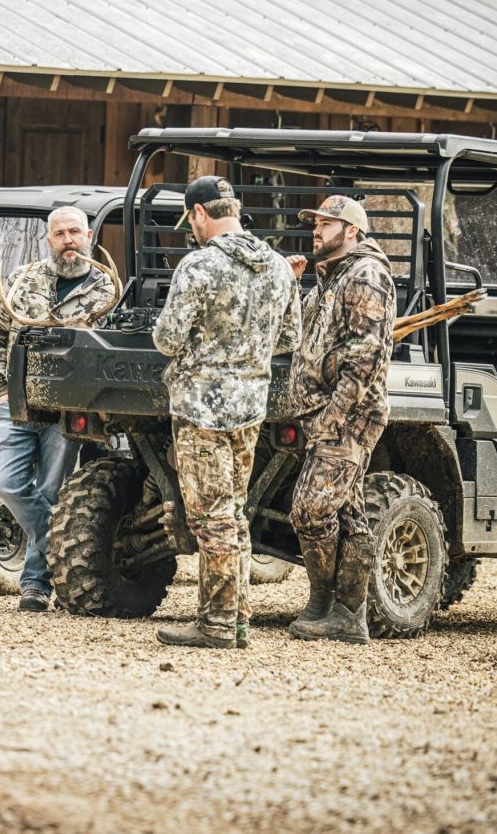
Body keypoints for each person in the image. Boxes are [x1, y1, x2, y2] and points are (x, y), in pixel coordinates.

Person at [151, 176, 301, 648]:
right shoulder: (278, 267)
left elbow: (166, 339)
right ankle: (236, 621)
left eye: (189, 221)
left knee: (210, 518)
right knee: (234, 514)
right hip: (250, 407)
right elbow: (290, 339)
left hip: (201, 411)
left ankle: (215, 624)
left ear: (198, 214)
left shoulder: (198, 266)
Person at [0, 205, 118, 612]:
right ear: (49, 240)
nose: (68, 241)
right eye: (59, 234)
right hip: (18, 404)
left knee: (52, 491)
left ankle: (35, 587)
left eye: (75, 232)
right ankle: (65, 556)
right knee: (7, 484)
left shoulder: (108, 290)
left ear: (90, 236)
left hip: (66, 410)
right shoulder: (24, 280)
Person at [283, 195, 396, 645]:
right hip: (324, 416)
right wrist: (293, 286)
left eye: (327, 223)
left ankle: (323, 604)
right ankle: (350, 617)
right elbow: (299, 336)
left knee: (309, 510)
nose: (316, 229)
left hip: (348, 418)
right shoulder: (329, 278)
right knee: (348, 516)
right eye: (315, 222)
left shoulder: (366, 276)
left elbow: (366, 358)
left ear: (351, 231)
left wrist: (334, 418)